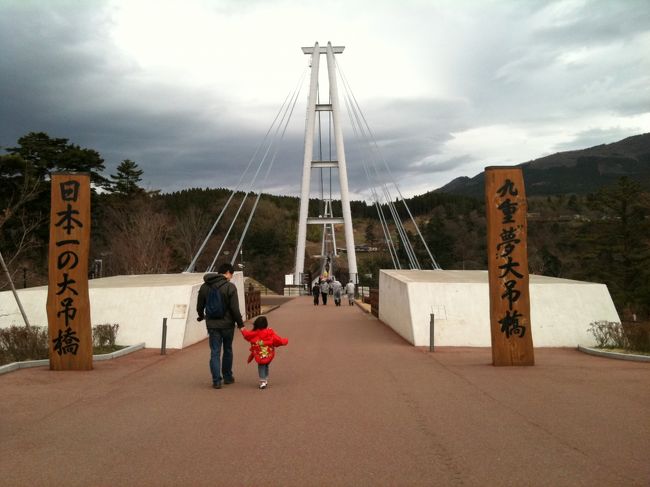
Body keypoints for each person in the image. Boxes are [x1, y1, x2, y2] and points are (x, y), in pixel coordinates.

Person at [197, 263, 244, 389]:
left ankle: (216, 380)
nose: (231, 277)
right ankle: (227, 377)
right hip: (228, 325)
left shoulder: (204, 287)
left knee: (215, 352)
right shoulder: (230, 287)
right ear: (228, 272)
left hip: (212, 324)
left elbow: (199, 306)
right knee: (228, 349)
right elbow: (234, 309)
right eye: (231, 275)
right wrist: (241, 324)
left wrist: (201, 316)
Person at [241, 316, 288, 389]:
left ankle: (263, 381)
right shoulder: (270, 332)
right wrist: (285, 341)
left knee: (261, 366)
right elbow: (277, 339)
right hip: (269, 353)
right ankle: (265, 379)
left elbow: (247, 335)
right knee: (266, 365)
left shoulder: (255, 333)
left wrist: (242, 328)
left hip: (259, 354)